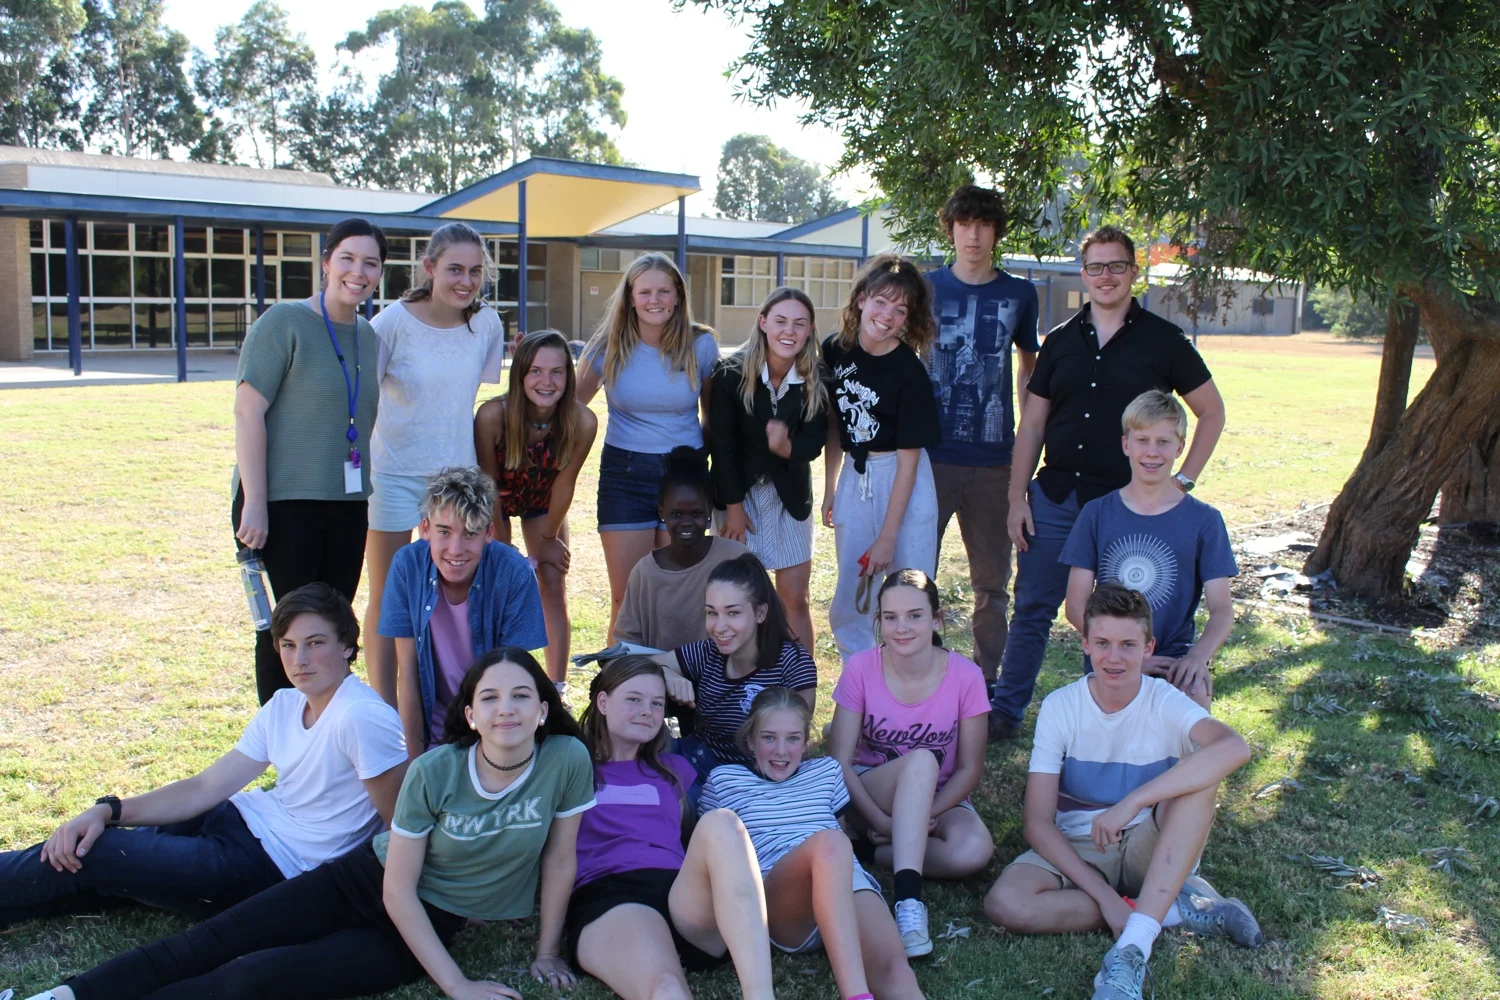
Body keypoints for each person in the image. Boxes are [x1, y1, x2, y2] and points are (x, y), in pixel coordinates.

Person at [19, 648, 595, 1000]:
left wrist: (547, 952)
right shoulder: (436, 772)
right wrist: (457, 986)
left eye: (522, 695)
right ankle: (67, 995)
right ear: (470, 714)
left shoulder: (567, 762)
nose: (507, 709)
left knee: (256, 979)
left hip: (427, 925)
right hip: (363, 879)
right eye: (490, 698)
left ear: (544, 709)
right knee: (207, 943)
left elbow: (560, 859)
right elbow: (397, 885)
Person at [0, 584, 406, 931]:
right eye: (288, 645)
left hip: (268, 867)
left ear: (348, 646)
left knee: (102, 854)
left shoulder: (362, 717)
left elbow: (402, 825)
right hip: (235, 819)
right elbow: (205, 787)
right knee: (93, 851)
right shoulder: (285, 703)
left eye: (314, 643)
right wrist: (108, 810)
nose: (299, 660)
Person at [993, 226, 1227, 741]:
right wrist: (1017, 496)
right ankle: (1007, 713)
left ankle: (1106, 716)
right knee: (1033, 606)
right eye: (1095, 267)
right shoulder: (1059, 341)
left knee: (1112, 616)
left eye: (1116, 266)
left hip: (1126, 506)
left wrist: (1183, 481)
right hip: (1054, 497)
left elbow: (1211, 412)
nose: (1105, 276)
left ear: (1133, 272)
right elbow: (1032, 424)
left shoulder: (1164, 341)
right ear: (1083, 274)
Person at [984, 584, 1262, 1000]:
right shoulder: (1062, 707)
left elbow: (1234, 747)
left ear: (1149, 647)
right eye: (1103, 643)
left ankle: (1132, 949)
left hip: (1151, 846)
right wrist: (1106, 900)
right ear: (1085, 643)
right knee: (1006, 905)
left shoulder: (1164, 701)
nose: (1114, 657)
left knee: (1201, 778)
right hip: (1080, 846)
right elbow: (1038, 824)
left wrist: (1133, 802)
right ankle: (1165, 910)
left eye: (1128, 644)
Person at [232, 218, 385, 704]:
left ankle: (324, 734)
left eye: (371, 263)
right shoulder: (284, 322)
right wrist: (255, 502)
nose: (357, 271)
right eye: (347, 258)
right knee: (289, 630)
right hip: (282, 501)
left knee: (334, 627)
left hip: (345, 500)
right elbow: (247, 409)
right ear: (325, 263)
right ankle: (283, 741)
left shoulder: (367, 336)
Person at [567, 655, 776, 1000]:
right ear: (602, 702)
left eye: (657, 703)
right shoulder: (571, 767)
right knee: (665, 989)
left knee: (721, 822)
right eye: (633, 699)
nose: (647, 711)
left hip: (682, 896)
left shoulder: (674, 768)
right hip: (614, 895)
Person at [363, 223, 508, 706]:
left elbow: (476, 397)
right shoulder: (391, 323)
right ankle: (384, 710)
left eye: (474, 272)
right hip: (392, 474)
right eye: (453, 270)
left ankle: (454, 700)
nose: (465, 281)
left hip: (456, 484)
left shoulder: (486, 324)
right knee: (388, 598)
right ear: (428, 269)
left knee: (455, 597)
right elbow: (363, 400)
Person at [700, 687, 924, 1000]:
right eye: (768, 737)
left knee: (896, 972)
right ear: (750, 741)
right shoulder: (724, 781)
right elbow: (713, 854)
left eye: (793, 738)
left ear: (806, 743)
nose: (781, 750)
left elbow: (844, 834)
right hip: (784, 899)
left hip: (845, 885)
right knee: (829, 845)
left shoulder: (827, 772)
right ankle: (856, 995)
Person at [827, 569, 994, 958]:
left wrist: (924, 815)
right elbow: (838, 761)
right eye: (890, 617)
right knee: (920, 761)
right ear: (879, 622)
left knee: (973, 852)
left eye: (914, 616)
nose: (901, 628)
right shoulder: (861, 669)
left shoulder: (966, 677)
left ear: (936, 620)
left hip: (938, 798)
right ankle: (908, 902)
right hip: (873, 792)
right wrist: (881, 820)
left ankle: (876, 854)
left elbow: (970, 769)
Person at [925, 185, 1040, 693]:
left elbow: (1028, 374)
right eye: (963, 223)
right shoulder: (924, 288)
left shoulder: (1020, 294)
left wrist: (1022, 452)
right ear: (949, 229)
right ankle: (918, 675)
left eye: (984, 224)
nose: (973, 234)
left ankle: (984, 682)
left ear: (996, 231)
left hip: (994, 460)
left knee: (992, 585)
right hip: (928, 460)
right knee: (913, 577)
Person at [577, 252, 720, 641]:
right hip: (625, 473)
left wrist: (698, 470)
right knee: (628, 598)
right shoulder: (607, 346)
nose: (654, 299)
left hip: (684, 477)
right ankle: (619, 692)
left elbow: (714, 418)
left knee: (680, 596)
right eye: (645, 291)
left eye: (663, 290)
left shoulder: (702, 345)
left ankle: (681, 693)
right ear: (630, 297)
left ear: (677, 296)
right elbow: (571, 408)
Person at [1063, 391, 1238, 709]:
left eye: (1163, 442)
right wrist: (1127, 657)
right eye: (1142, 440)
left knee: (1195, 700)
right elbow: (1075, 606)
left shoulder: (1205, 521)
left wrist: (1197, 658)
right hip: (1111, 660)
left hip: (1174, 662)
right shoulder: (1097, 514)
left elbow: (1222, 610)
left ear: (1180, 448)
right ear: (1125, 445)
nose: (1152, 452)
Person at [822, 253, 942, 661]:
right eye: (880, 301)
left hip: (902, 478)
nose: (887, 315)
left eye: (900, 309)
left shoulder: (909, 371)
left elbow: (909, 461)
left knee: (908, 589)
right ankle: (859, 687)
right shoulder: (835, 351)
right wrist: (831, 489)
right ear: (860, 299)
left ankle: (910, 684)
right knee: (854, 587)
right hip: (857, 475)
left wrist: (888, 536)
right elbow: (836, 426)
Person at [380, 466, 547, 757]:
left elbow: (512, 677)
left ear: (489, 533)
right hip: (432, 730)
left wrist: (490, 754)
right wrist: (415, 761)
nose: (455, 549)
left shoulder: (514, 571)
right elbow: (407, 671)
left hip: (493, 729)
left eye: (470, 533)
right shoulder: (407, 565)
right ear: (425, 529)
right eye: (444, 532)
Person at [475, 329, 598, 690]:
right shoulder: (492, 415)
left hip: (544, 499)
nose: (547, 381)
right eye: (536, 371)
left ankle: (556, 687)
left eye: (557, 371)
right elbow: (489, 485)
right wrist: (500, 543)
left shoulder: (582, 421)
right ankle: (496, 677)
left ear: (568, 375)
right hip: (498, 496)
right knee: (499, 578)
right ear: (520, 374)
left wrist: (546, 539)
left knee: (551, 578)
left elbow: (565, 483)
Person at [710, 286, 829, 651]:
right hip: (739, 496)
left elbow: (815, 441)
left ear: (809, 330)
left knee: (794, 597)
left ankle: (799, 684)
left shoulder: (816, 377)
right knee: (740, 600)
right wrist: (732, 508)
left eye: (799, 323)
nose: (788, 331)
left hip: (789, 496)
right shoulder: (731, 373)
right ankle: (741, 677)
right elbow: (722, 446)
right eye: (780, 321)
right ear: (763, 323)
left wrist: (786, 446)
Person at [655, 553, 819, 780]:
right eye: (712, 613)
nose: (719, 627)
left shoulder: (792, 664)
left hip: (764, 776)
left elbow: (794, 739)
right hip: (700, 764)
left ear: (760, 613)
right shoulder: (707, 652)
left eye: (733, 613)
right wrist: (664, 674)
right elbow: (635, 667)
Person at [613, 446, 748, 652]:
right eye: (676, 515)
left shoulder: (736, 558)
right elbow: (628, 642)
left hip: (727, 678)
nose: (686, 523)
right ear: (662, 512)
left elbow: (765, 626)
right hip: (660, 677)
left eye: (695, 514)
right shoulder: (645, 573)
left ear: (709, 511)